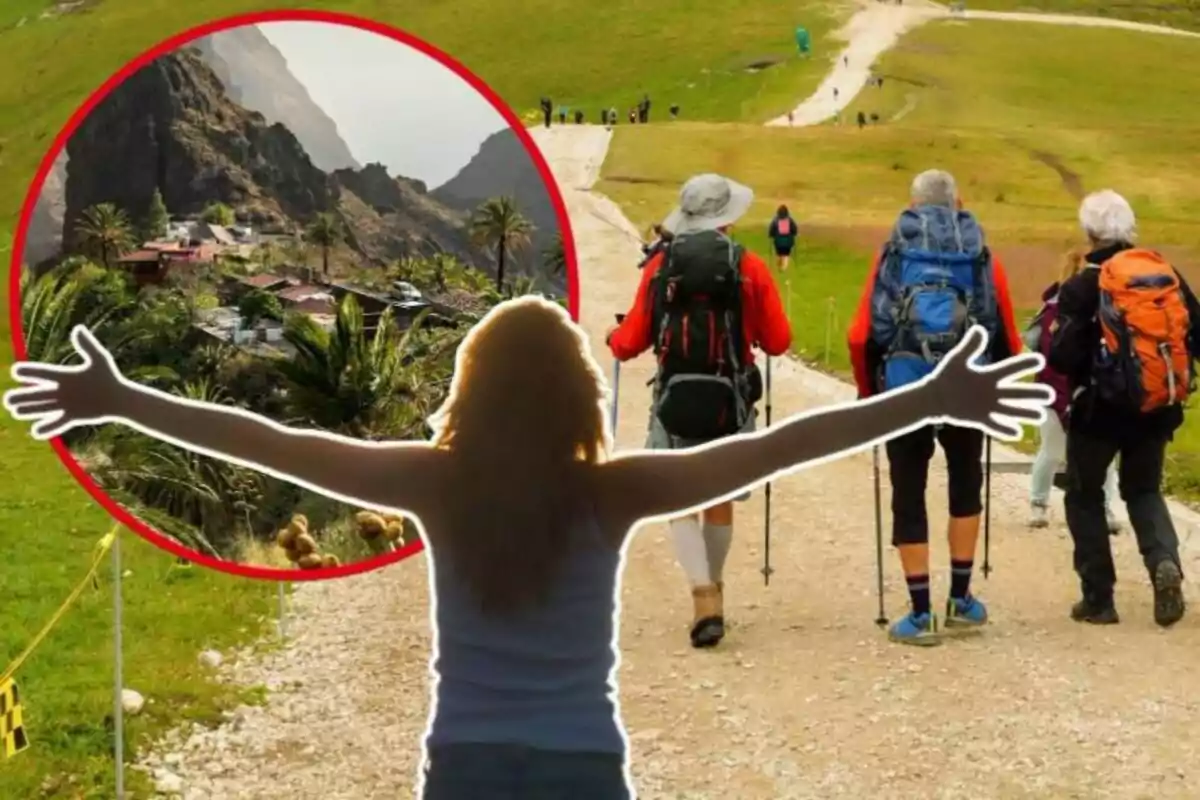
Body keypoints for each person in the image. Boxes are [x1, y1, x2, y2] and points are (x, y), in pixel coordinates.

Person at [7, 314, 1049, 798]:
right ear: (577, 399)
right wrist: (929, 398)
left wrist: (118, 397)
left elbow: (273, 441)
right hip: (582, 768)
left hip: (463, 765)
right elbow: (776, 444)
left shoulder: (433, 481)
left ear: (472, 391)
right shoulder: (612, 489)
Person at [608, 174, 794, 649]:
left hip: (674, 397)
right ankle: (716, 590)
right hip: (730, 399)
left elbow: (630, 342)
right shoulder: (748, 266)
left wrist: (614, 338)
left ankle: (702, 594)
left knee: (680, 501)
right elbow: (778, 341)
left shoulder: (660, 267)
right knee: (718, 497)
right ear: (727, 218)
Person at [847, 169, 1024, 646]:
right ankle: (962, 601)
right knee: (966, 482)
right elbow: (1004, 329)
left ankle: (920, 613)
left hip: (905, 385)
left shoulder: (895, 253)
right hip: (967, 387)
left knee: (909, 489)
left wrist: (870, 395)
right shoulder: (980, 254)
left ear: (914, 204)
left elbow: (862, 333)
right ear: (957, 203)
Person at [1049, 189, 1200, 628]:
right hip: (1155, 406)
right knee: (1144, 490)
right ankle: (1163, 564)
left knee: (1084, 494)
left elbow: (1062, 356)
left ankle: (1099, 598)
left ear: (1090, 233)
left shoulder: (1082, 285)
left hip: (1098, 412)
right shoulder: (1163, 274)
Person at [1024, 250, 1120, 532]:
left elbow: (1031, 344)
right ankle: (1097, 508)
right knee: (1097, 455)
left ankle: (1042, 505)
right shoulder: (1094, 307)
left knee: (1054, 451)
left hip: (1061, 392)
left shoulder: (1054, 309)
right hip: (1071, 392)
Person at [767, 205, 799, 272]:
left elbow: (771, 229)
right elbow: (794, 228)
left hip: (778, 242)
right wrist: (794, 233)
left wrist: (770, 235)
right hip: (788, 242)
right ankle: (784, 268)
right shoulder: (790, 220)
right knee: (786, 255)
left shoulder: (775, 220)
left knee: (779, 254)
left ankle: (779, 266)